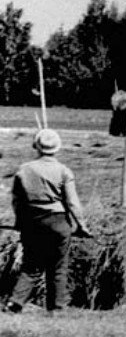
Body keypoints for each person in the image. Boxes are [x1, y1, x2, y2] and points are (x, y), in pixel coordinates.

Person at [5, 129, 90, 314]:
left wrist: (20, 222)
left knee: (31, 265)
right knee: (58, 267)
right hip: (58, 222)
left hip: (33, 222)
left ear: (36, 146)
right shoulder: (63, 171)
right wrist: (81, 225)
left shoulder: (24, 170)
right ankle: (56, 308)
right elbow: (72, 202)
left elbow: (17, 200)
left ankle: (15, 303)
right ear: (57, 149)